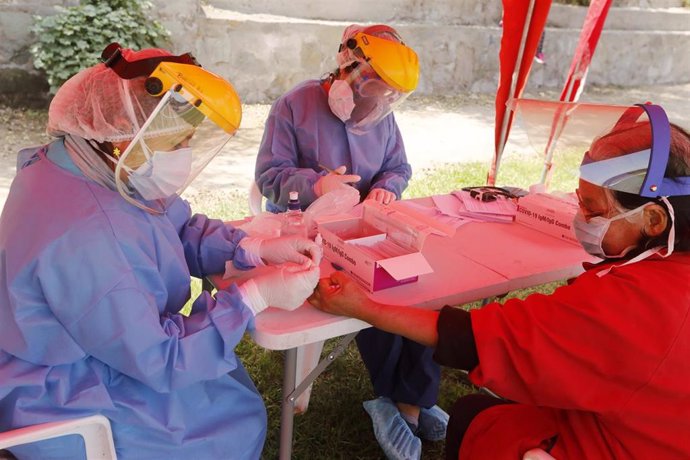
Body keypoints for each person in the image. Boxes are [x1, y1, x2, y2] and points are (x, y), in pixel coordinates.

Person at [309, 103, 690, 459]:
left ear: (654, 221)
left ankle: (409, 404)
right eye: (579, 200)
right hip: (650, 429)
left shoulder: (632, 302)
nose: (581, 216)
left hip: (619, 445)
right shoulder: (666, 273)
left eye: (593, 208)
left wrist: (363, 307)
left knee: (477, 418)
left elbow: (482, 339)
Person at [0, 43, 321, 460]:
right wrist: (252, 298)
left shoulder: (86, 164)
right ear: (123, 137)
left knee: (226, 398)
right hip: (66, 392)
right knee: (232, 425)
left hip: (94, 349)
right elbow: (161, 358)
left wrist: (254, 247)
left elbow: (175, 224)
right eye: (178, 141)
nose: (184, 153)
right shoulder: (85, 237)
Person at [254, 24, 448, 459]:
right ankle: (391, 398)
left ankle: (412, 400)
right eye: (372, 84)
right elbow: (268, 178)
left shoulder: (383, 114)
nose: (377, 99)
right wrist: (316, 185)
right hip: (306, 232)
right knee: (368, 288)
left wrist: (387, 189)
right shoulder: (294, 106)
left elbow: (398, 166)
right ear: (347, 65)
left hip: (366, 228)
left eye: (388, 93)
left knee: (422, 287)